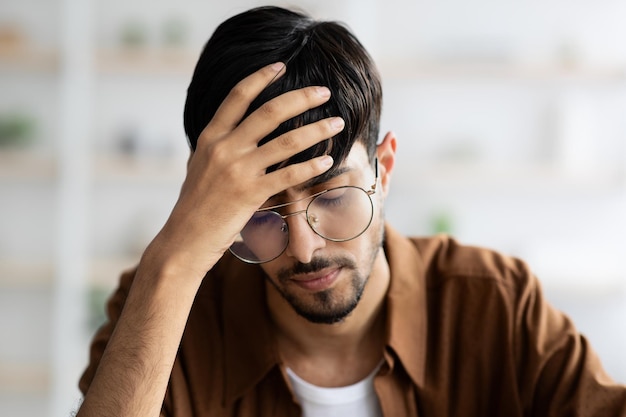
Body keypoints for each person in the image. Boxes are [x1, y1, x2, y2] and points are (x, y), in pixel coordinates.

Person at [77, 5, 626, 417]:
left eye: (333, 198)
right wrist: (173, 257)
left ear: (383, 169)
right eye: (260, 215)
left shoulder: (496, 304)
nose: (303, 248)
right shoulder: (163, 308)